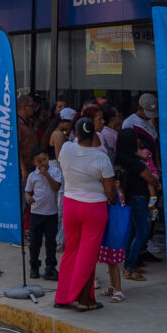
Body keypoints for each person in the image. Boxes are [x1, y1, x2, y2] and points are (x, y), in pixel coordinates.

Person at [54, 114, 116, 311]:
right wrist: (114, 201)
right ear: (94, 134)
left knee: (70, 251)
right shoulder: (101, 158)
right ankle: (84, 300)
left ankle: (63, 296)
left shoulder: (66, 149)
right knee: (88, 256)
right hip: (94, 209)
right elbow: (110, 191)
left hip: (71, 205)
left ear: (76, 133)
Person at [111, 112, 159, 280]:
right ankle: (131, 267)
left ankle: (128, 265)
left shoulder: (120, 158)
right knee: (142, 232)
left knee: (132, 232)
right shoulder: (134, 161)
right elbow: (149, 178)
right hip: (139, 198)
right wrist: (155, 180)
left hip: (129, 198)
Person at [24, 149, 62, 279]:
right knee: (35, 243)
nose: (43, 163)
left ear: (48, 158)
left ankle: (50, 267)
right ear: (34, 163)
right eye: (39, 161)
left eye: (44, 159)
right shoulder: (32, 176)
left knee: (51, 242)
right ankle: (34, 266)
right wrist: (28, 197)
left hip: (51, 213)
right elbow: (27, 191)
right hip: (36, 213)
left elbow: (56, 187)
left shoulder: (55, 172)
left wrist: (46, 174)